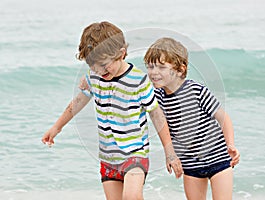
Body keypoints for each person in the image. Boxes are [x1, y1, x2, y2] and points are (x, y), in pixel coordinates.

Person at [41, 22, 183, 200]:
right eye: (93, 66)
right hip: (108, 158)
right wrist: (56, 128)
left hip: (135, 154)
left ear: (121, 53)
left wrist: (169, 153)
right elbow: (76, 104)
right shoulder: (94, 78)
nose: (100, 71)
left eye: (104, 64)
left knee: (131, 197)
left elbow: (156, 115)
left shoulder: (138, 81)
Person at [144, 37, 240, 200]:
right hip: (190, 165)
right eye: (150, 66)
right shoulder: (157, 98)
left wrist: (230, 144)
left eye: (161, 67)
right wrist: (170, 154)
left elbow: (223, 118)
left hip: (219, 159)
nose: (154, 72)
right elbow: (162, 127)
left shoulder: (196, 91)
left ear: (180, 70)